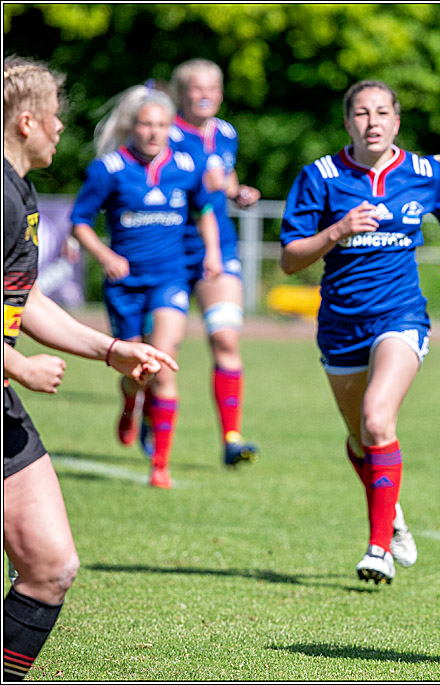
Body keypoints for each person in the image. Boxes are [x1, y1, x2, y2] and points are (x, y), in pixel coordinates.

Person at [4, 55, 177, 681]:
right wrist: (18, 367)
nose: (60, 129)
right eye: (54, 118)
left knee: (51, 566)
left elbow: (26, 298)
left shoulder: (17, 190)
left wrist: (110, 350)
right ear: (26, 122)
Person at [279, 80, 440, 585]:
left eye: (382, 112)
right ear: (348, 124)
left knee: (377, 419)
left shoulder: (423, 172)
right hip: (340, 325)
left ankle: (378, 547)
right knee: (360, 438)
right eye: (361, 113)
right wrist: (338, 231)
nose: (372, 121)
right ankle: (394, 516)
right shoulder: (320, 177)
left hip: (401, 318)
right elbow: (288, 260)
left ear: (396, 121)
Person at [70, 81, 222, 489]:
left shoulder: (187, 167)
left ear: (170, 127)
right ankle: (129, 401)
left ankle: (160, 463)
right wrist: (106, 256)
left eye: (160, 124)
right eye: (145, 124)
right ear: (132, 127)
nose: (153, 132)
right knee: (136, 371)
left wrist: (211, 252)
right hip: (125, 285)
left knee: (163, 358)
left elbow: (205, 209)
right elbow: (80, 222)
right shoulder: (109, 169)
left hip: (171, 277)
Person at [168, 58, 261, 467]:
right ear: (181, 93)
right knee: (156, 351)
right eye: (196, 88)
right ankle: (144, 410)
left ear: (221, 94)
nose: (205, 95)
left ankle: (231, 437)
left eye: (212, 88)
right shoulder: (163, 131)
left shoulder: (226, 133)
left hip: (217, 249)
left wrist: (237, 193)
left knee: (225, 338)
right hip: (168, 249)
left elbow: (226, 176)